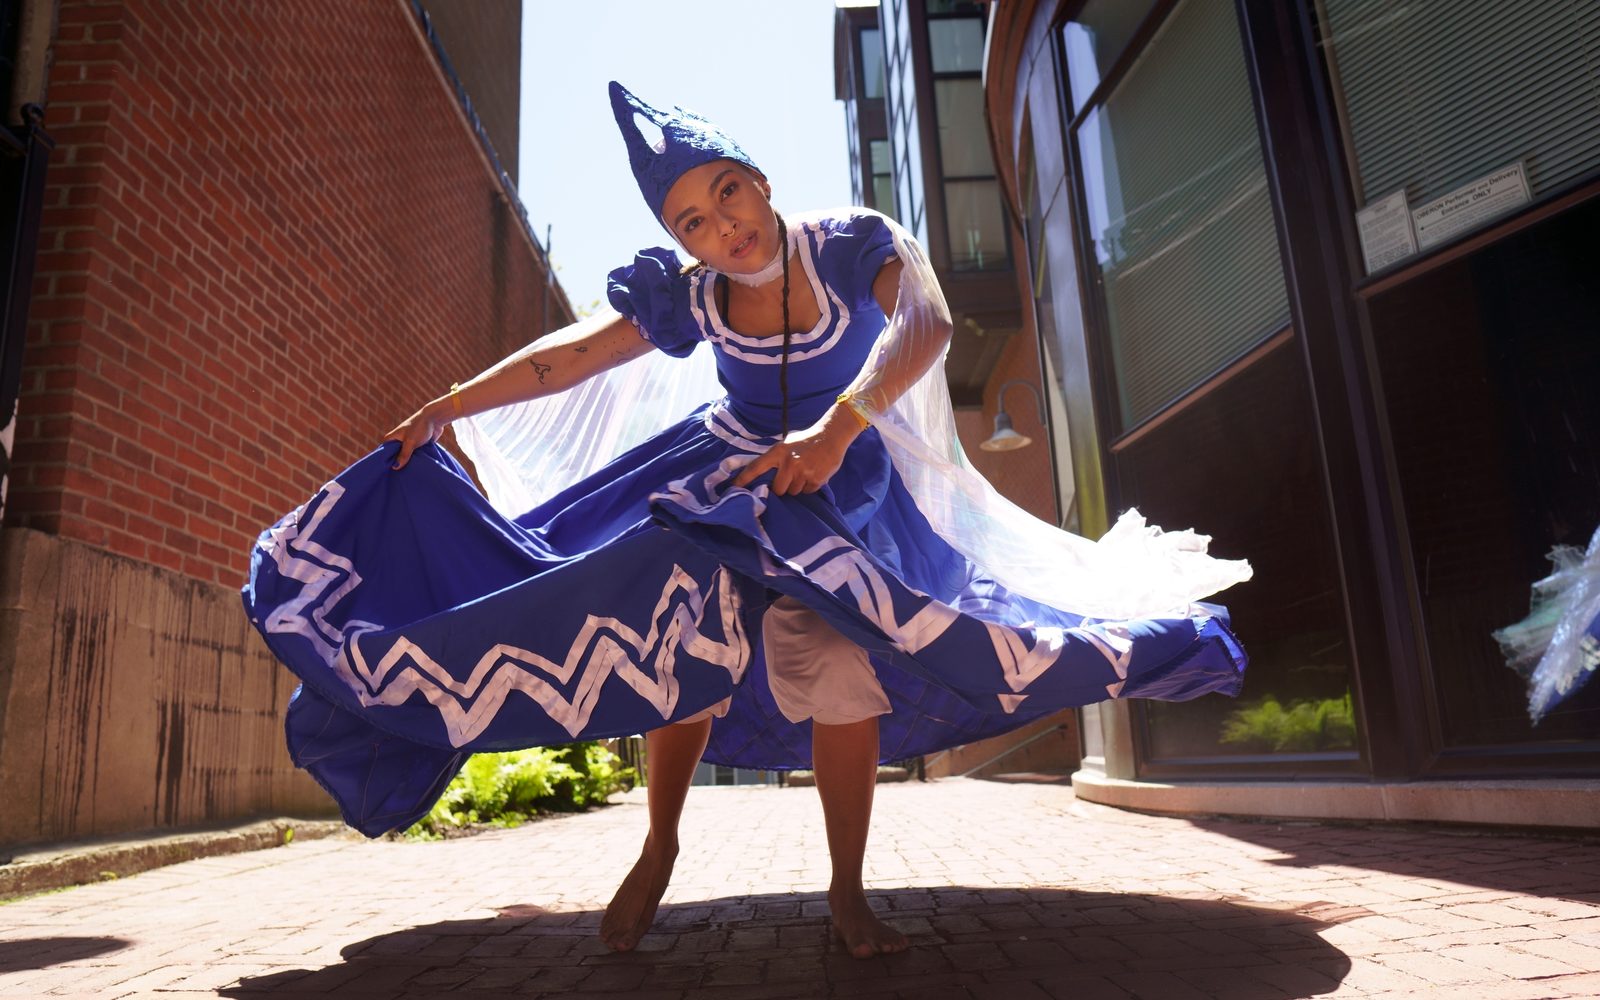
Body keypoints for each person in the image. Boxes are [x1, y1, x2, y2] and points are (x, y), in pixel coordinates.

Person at [242, 82, 1252, 959]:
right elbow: (571, 356)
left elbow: (929, 321)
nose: (721, 227)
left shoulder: (853, 242)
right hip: (723, 476)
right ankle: (659, 846)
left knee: (839, 657)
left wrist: (837, 429)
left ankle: (846, 887)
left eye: (727, 193)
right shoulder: (693, 299)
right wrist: (446, 406)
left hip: (842, 485)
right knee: (667, 626)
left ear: (760, 181)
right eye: (692, 222)